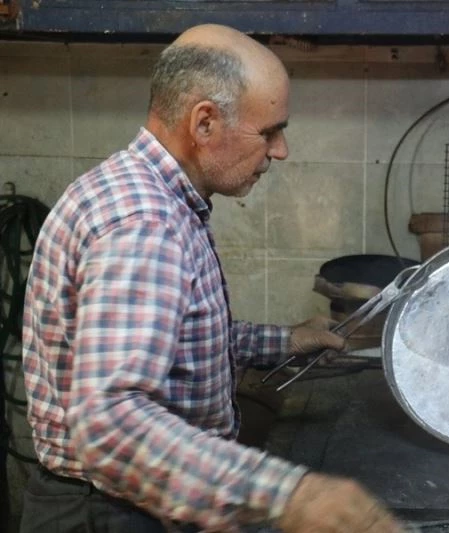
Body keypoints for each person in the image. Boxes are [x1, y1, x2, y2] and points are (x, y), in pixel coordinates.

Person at [20, 23, 404, 533]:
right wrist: (291, 495)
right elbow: (109, 423)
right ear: (204, 123)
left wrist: (285, 340)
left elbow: (178, 338)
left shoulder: (146, 194)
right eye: (269, 132)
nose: (280, 150)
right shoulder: (145, 225)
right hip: (109, 514)